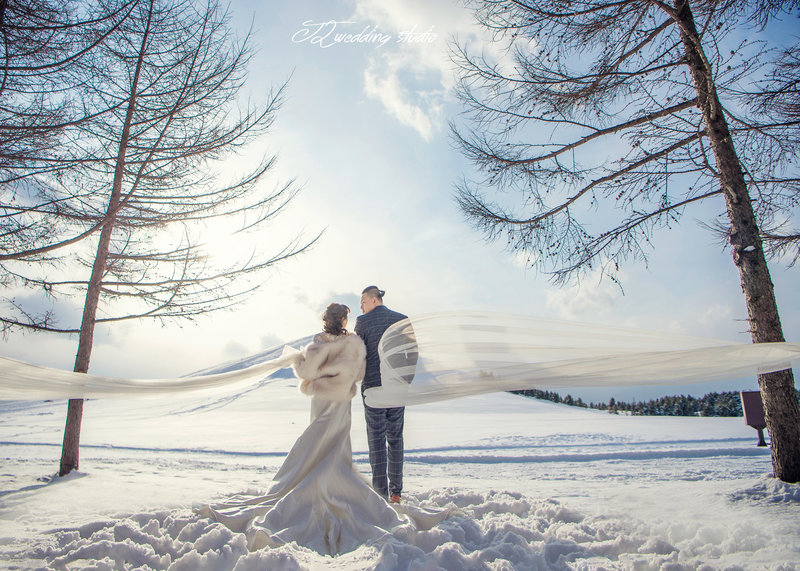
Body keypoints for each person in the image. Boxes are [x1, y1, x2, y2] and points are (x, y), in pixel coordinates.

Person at [196, 303, 407, 555]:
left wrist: (298, 361)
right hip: (341, 402)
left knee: (316, 439)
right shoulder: (354, 344)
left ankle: (307, 478)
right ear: (342, 320)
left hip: (321, 400)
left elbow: (306, 371)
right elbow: (359, 374)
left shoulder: (318, 341)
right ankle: (335, 481)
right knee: (338, 444)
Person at [354, 286, 408, 503]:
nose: (361, 306)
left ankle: (380, 495)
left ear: (374, 300)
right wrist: (405, 381)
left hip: (373, 388)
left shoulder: (363, 322)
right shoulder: (402, 320)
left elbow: (359, 355)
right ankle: (396, 493)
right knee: (396, 439)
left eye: (363, 301)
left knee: (376, 440)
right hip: (397, 388)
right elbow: (411, 354)